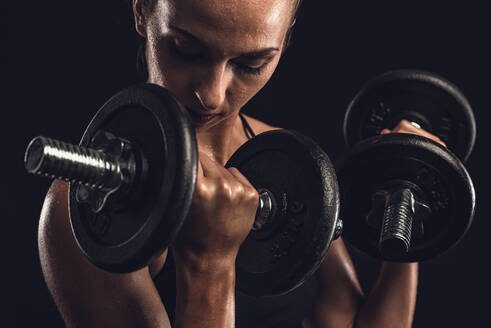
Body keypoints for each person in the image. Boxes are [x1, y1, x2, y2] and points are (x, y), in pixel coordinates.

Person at [38, 0, 447, 327]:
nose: (212, 95)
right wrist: (210, 263)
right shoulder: (91, 209)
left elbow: (346, 319)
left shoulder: (288, 159)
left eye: (251, 65)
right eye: (186, 50)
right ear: (142, 9)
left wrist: (406, 196)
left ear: (284, 42)